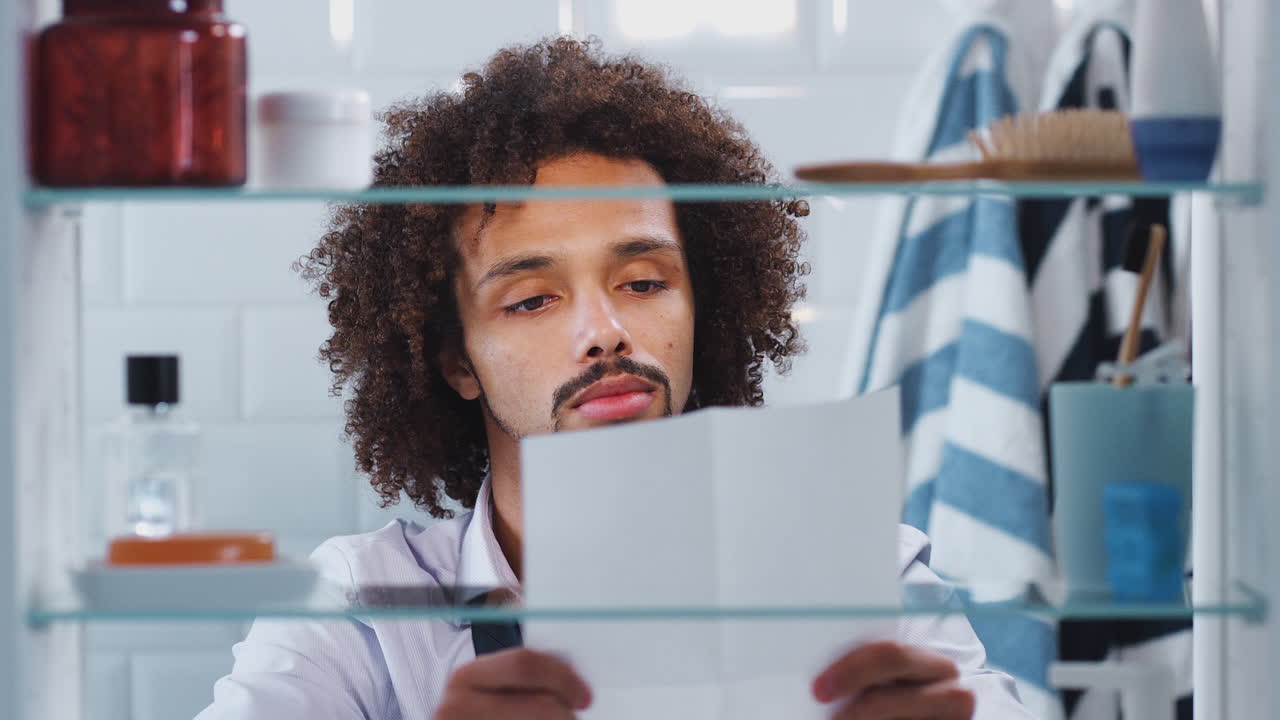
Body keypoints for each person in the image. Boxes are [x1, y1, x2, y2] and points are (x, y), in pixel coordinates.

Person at [197, 37, 1033, 720]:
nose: (605, 333)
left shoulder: (868, 580)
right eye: (531, 300)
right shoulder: (362, 611)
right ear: (455, 360)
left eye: (643, 282)